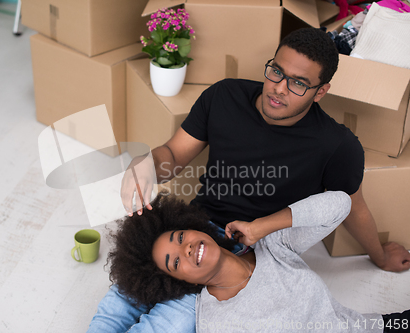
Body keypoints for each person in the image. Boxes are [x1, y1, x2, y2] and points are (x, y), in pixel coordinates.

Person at [87, 27, 410, 332]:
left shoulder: (337, 145)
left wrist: (379, 256)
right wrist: (145, 165)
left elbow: (351, 207)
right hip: (192, 227)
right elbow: (172, 154)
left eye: (298, 83)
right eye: (277, 72)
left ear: (321, 91)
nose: (279, 89)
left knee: (169, 324)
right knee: (118, 304)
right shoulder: (225, 96)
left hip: (255, 250)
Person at [109, 192, 410, 333]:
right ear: (180, 281)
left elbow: (340, 203)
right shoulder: (217, 323)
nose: (185, 249)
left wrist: (262, 226)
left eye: (179, 236)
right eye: (174, 263)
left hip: (379, 327)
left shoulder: (272, 246)